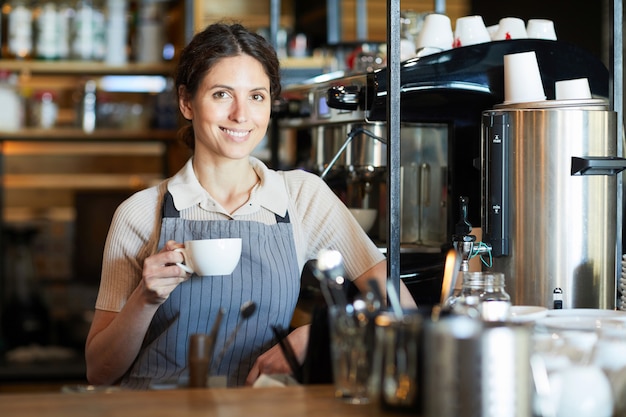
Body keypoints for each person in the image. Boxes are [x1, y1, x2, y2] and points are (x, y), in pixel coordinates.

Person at [85, 22, 416, 389]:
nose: (241, 115)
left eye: (256, 96)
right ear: (186, 102)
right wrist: (144, 300)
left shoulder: (302, 197)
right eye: (222, 94)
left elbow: (402, 309)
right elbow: (99, 371)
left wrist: (315, 335)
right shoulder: (141, 212)